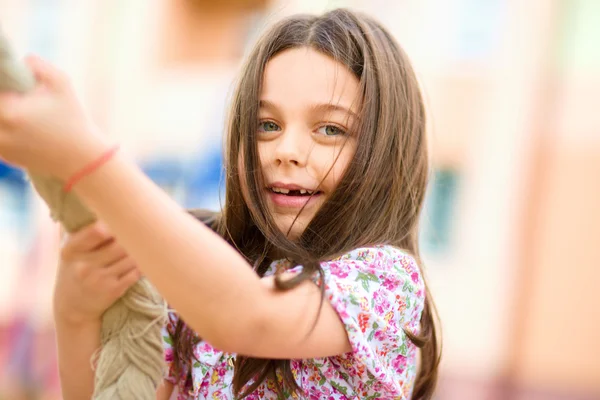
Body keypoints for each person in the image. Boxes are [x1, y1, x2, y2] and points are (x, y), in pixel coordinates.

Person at [0, 8, 440, 400]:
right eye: (266, 124)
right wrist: (76, 313)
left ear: (387, 154)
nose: (286, 149)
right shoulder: (206, 266)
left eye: (330, 129)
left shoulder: (386, 281)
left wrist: (86, 159)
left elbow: (248, 317)